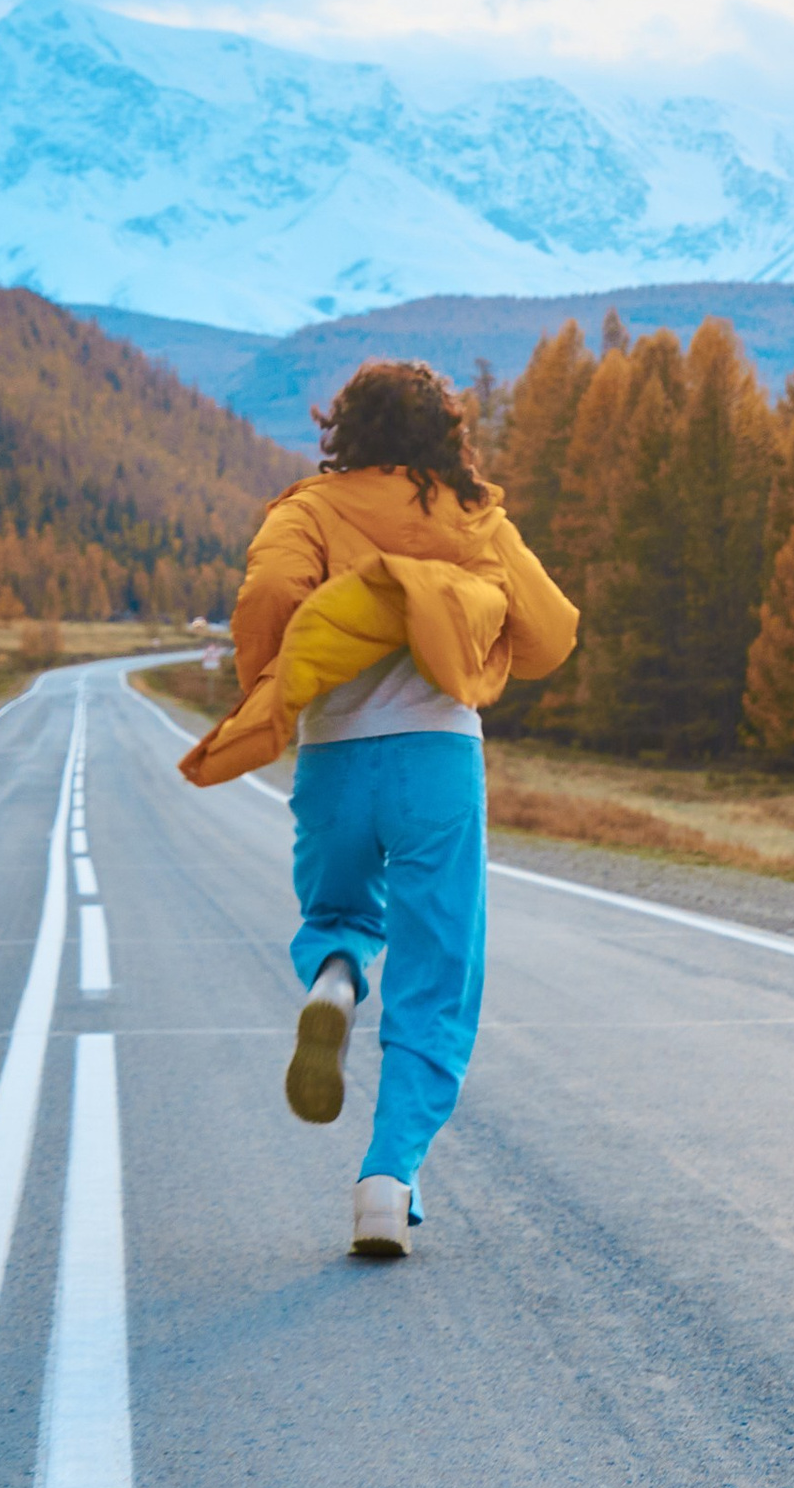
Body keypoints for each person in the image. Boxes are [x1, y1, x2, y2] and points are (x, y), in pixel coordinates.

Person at [180, 360, 578, 1259]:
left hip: (332, 758)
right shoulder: (473, 515)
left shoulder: (309, 510)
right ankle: (386, 1180)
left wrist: (278, 685)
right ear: (446, 434)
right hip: (438, 755)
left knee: (339, 913)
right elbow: (552, 633)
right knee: (437, 974)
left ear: (340, 431)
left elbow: (270, 598)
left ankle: (332, 983)